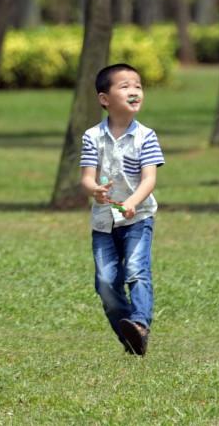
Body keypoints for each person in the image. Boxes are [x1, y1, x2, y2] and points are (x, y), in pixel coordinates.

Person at [79, 63, 165, 356]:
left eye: (138, 86)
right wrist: (94, 190)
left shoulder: (147, 136)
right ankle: (130, 337)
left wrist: (132, 202)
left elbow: (149, 178)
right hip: (103, 222)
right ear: (105, 99)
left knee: (136, 271)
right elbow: (87, 178)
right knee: (105, 282)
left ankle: (140, 324)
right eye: (125, 86)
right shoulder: (92, 137)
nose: (134, 91)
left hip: (138, 218)